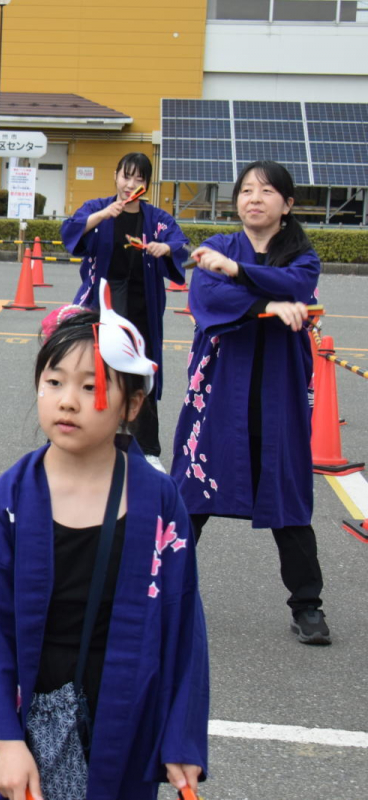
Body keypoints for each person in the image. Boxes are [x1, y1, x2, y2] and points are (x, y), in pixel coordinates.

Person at [0, 294, 209, 800]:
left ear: (133, 404)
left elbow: (180, 621)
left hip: (122, 704)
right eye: (53, 382)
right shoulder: (9, 498)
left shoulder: (159, 499)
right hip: (24, 709)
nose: (67, 401)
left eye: (92, 386)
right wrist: (7, 742)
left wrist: (180, 737)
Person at [171, 159, 330, 645]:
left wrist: (240, 272)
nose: (253, 198)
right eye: (245, 191)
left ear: (288, 204)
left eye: (265, 191)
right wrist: (263, 304)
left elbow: (297, 287)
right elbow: (207, 297)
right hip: (220, 390)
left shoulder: (302, 256)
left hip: (276, 393)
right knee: (192, 491)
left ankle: (307, 605)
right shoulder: (217, 247)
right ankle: (158, 592)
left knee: (286, 496)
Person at [61, 152, 189, 473]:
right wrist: (104, 214)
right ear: (116, 175)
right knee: (96, 372)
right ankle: (91, 440)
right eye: (126, 176)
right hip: (102, 303)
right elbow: (70, 231)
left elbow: (179, 242)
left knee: (142, 374)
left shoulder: (156, 218)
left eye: (139, 179)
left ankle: (147, 449)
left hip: (142, 304)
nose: (131, 184)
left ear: (147, 184)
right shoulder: (98, 207)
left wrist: (166, 248)